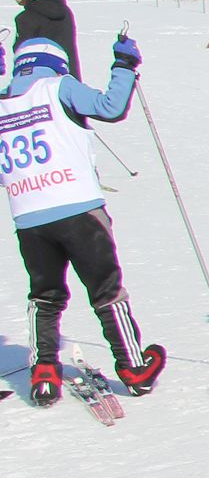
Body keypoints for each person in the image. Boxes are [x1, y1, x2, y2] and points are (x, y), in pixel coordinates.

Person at [3, 33, 161, 405]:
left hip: (28, 217)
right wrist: (124, 65)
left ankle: (43, 372)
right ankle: (134, 368)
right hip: (77, 209)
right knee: (107, 290)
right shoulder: (60, 87)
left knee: (45, 295)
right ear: (58, 64)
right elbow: (111, 107)